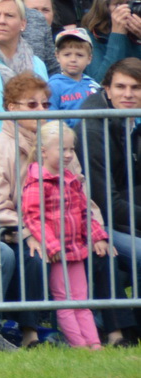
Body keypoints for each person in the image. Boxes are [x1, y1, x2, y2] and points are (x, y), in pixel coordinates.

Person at [0, 73, 74, 346]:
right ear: (11, 107)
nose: (42, 111)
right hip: (11, 233)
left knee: (99, 254)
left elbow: (81, 193)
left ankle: (104, 332)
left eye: (45, 104)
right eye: (32, 105)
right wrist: (32, 230)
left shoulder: (60, 146)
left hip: (57, 230)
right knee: (33, 254)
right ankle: (29, 333)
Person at [21, 125, 112, 348]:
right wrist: (52, 247)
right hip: (57, 253)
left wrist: (98, 236)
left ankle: (94, 344)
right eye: (62, 149)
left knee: (82, 300)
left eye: (71, 149)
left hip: (75, 250)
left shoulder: (72, 180)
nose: (69, 155)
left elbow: (84, 212)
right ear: (43, 151)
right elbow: (33, 217)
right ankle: (79, 345)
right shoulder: (36, 181)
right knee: (65, 301)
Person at [77, 57, 141, 346]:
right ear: (107, 89)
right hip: (94, 223)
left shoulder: (129, 123)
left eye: (136, 88)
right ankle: (123, 332)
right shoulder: (93, 129)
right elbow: (104, 201)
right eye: (121, 87)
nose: (128, 94)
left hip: (121, 218)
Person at [48, 26, 99, 111]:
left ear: (89, 59)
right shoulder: (52, 86)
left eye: (79, 55)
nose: (73, 60)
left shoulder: (94, 85)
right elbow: (49, 118)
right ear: (57, 56)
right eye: (67, 54)